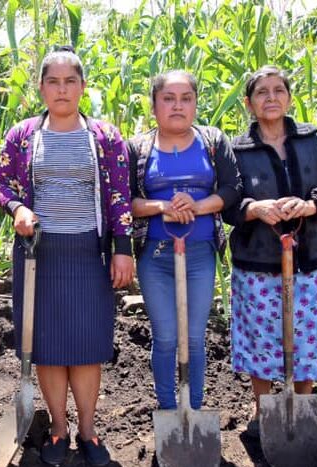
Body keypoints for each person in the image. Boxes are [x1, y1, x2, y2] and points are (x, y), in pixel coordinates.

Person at [0, 47, 134, 467]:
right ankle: (58, 429)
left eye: (69, 81)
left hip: (89, 252)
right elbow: (4, 184)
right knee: (49, 346)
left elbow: (119, 196)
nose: (61, 89)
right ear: (41, 88)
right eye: (52, 81)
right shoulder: (22, 136)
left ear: (82, 87)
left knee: (88, 345)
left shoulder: (105, 138)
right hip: (38, 254)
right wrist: (18, 209)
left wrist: (122, 249)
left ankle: (88, 430)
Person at [222, 65, 317, 432]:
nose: (271, 98)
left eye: (278, 90)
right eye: (262, 92)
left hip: (310, 257)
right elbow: (228, 202)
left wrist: (311, 205)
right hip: (257, 261)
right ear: (248, 103)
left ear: (289, 98)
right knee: (261, 337)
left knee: (307, 338)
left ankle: (303, 406)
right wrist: (255, 209)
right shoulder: (236, 149)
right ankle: (264, 411)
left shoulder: (312, 140)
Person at [127, 71, 242, 411]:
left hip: (199, 252)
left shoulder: (212, 141)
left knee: (193, 337)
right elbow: (125, 202)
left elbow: (232, 188)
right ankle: (166, 408)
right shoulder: (138, 148)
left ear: (195, 103)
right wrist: (163, 207)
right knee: (164, 337)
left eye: (186, 98)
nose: (177, 106)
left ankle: (193, 407)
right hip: (156, 255)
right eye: (168, 98)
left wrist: (197, 206)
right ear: (154, 105)